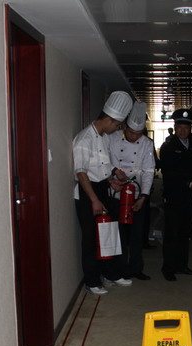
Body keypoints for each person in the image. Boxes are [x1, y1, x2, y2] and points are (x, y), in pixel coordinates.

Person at [73, 90, 134, 295]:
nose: (117, 128)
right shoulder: (84, 139)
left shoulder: (104, 137)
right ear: (108, 119)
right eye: (117, 125)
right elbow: (81, 173)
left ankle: (111, 273)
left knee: (108, 233)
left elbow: (102, 167)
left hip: (101, 187)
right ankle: (91, 281)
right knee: (91, 238)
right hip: (87, 192)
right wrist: (94, 200)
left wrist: (112, 180)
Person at [108, 102, 155, 280]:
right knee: (118, 232)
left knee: (137, 233)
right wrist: (113, 175)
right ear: (125, 127)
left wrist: (144, 196)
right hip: (115, 192)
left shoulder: (147, 144)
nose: (135, 137)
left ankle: (136, 268)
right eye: (131, 133)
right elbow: (104, 162)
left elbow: (148, 171)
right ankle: (119, 269)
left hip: (136, 192)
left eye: (138, 133)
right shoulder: (112, 138)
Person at [159, 108, 192, 281]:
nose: (183, 131)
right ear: (175, 127)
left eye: (186, 127)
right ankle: (168, 268)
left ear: (190, 128)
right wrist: (188, 183)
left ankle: (182, 265)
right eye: (179, 127)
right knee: (172, 232)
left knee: (186, 232)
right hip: (174, 195)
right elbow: (169, 172)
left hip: (189, 197)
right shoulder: (168, 146)